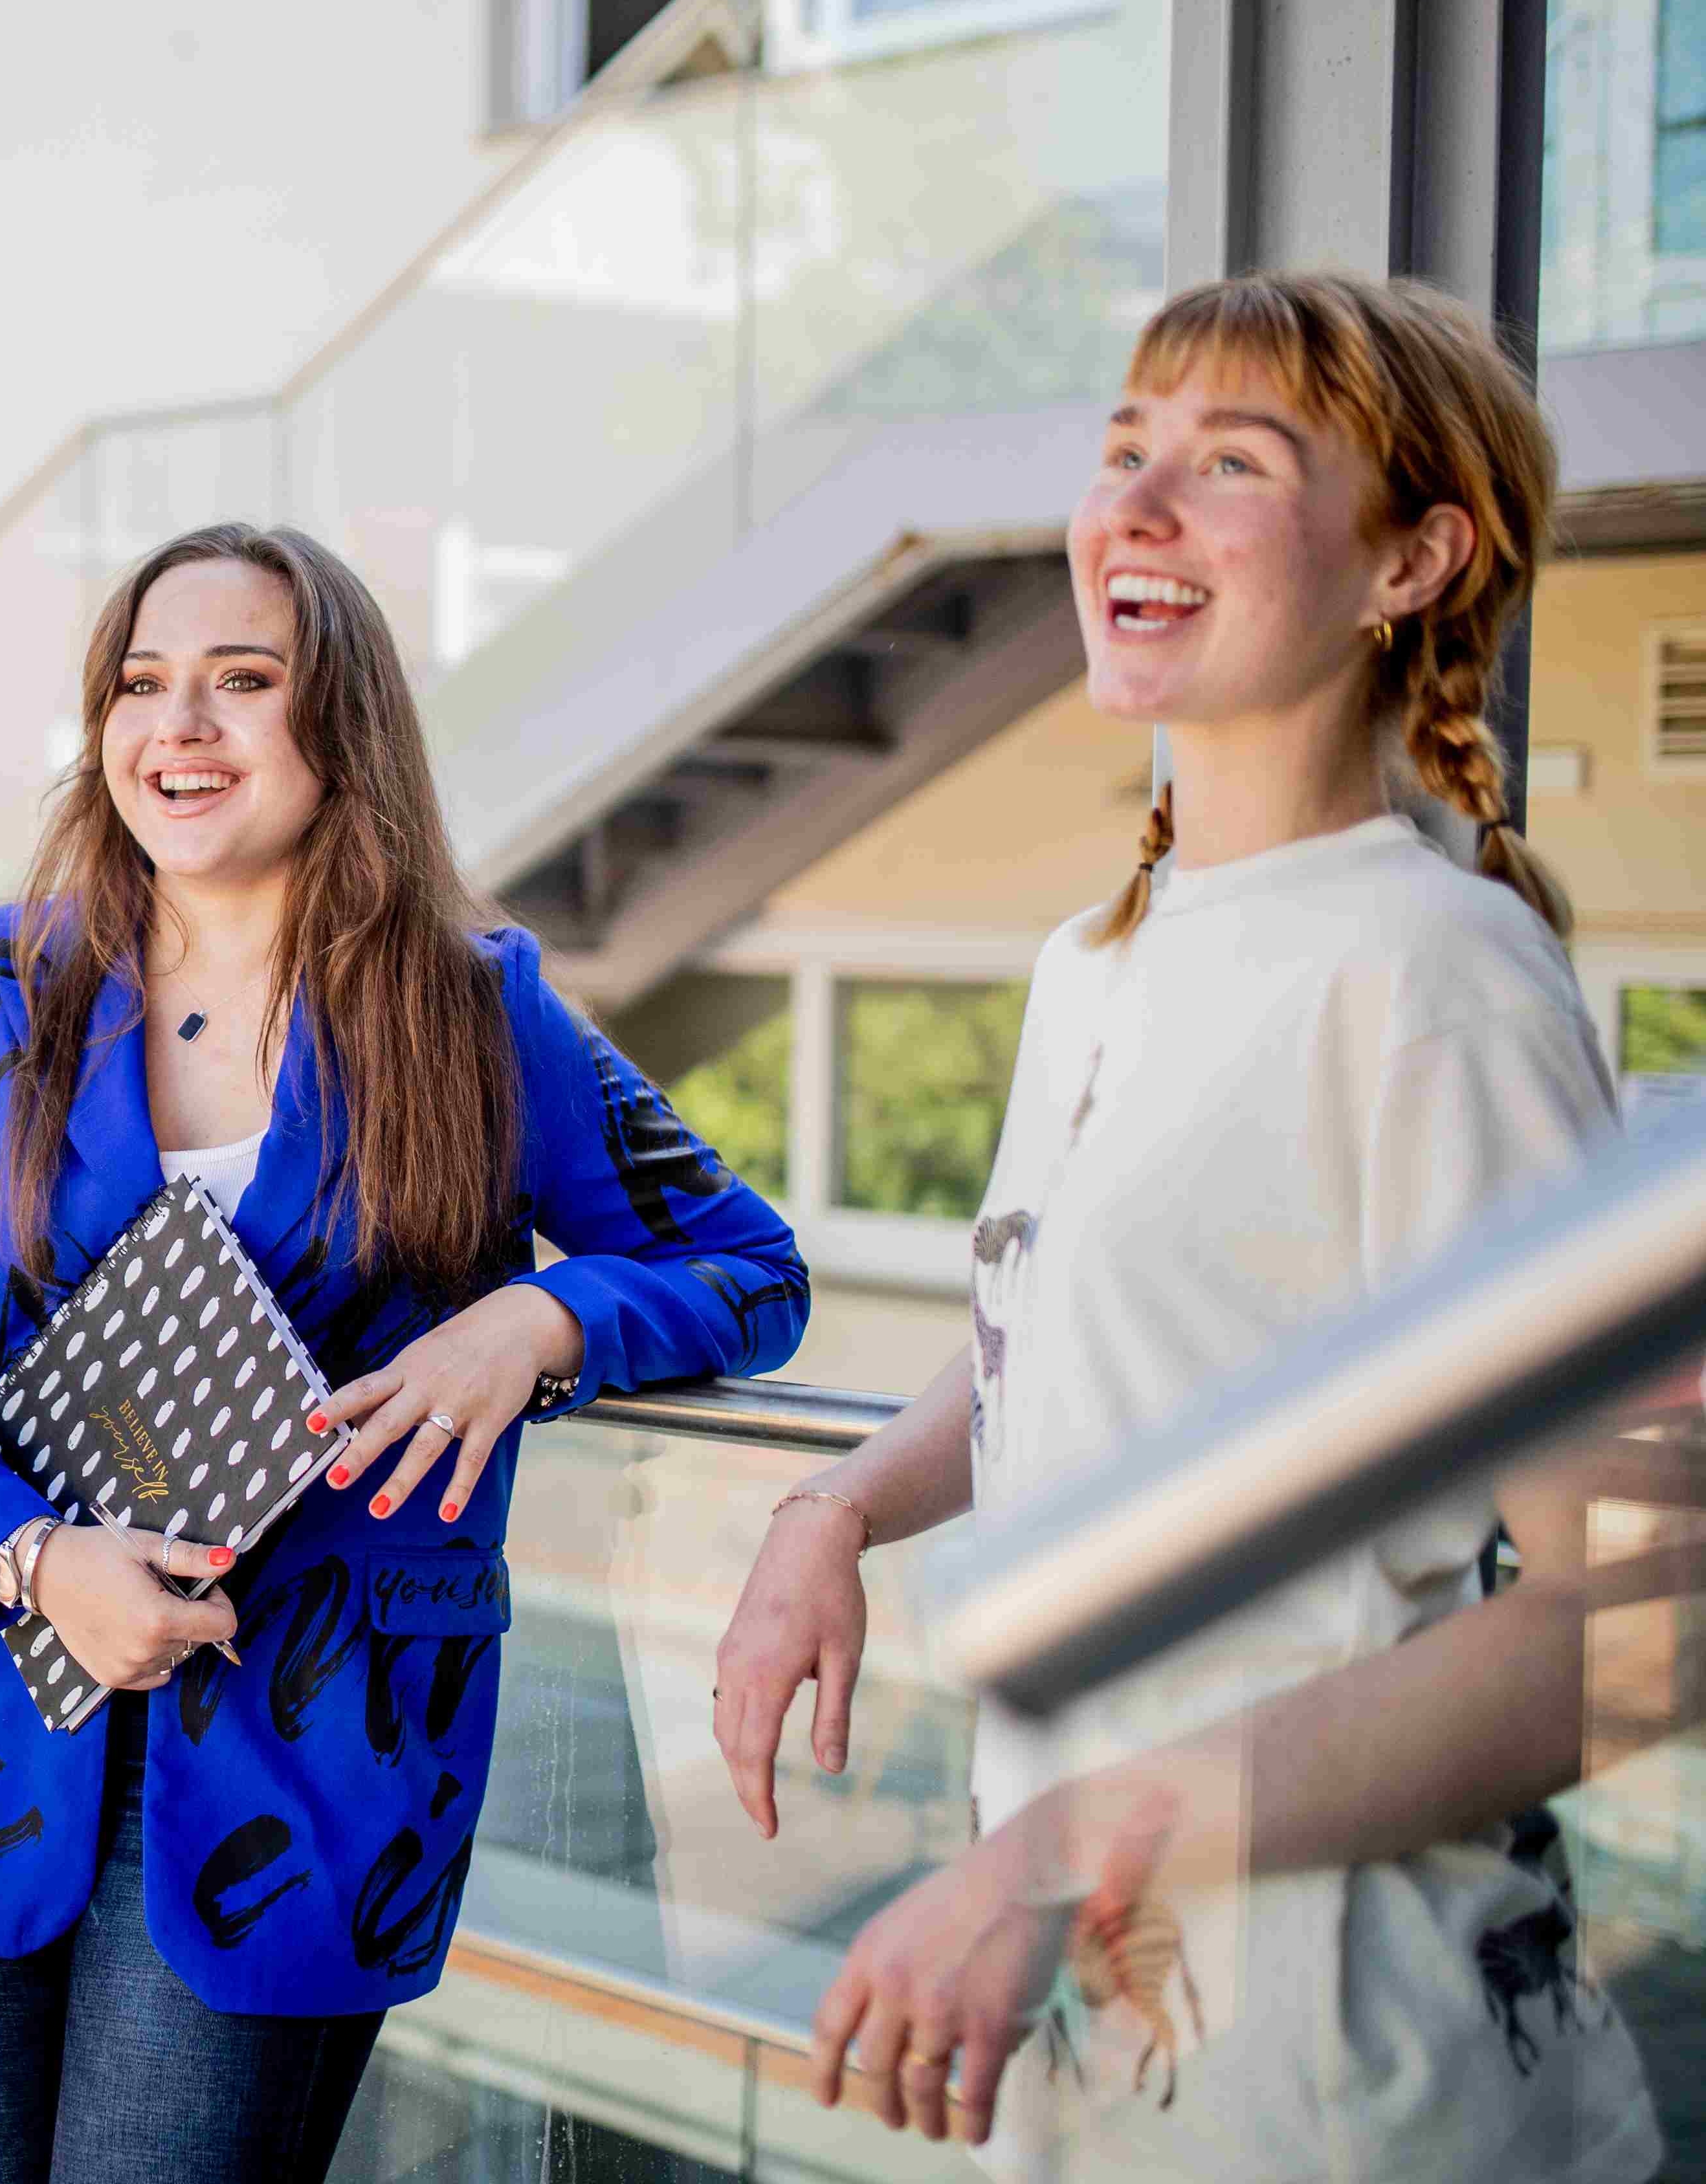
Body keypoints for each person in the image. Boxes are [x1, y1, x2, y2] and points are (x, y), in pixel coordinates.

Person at [709, 272, 1662, 2181]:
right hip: (1105, 2056)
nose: (1133, 510)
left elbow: (1624, 1629)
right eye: (1122, 453)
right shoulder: (1099, 957)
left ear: (1412, 562)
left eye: (1230, 464)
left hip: (1357, 2094)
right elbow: (1060, 1335)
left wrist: (1064, 1851)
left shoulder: (1434, 975)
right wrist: (839, 1509)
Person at [0, 521, 808, 2182]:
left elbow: (752, 1271)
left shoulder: (474, 1010)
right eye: (142, 685)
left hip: (307, 1781)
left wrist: (543, 1320)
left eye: (242, 682)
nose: (179, 727)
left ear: (342, 724)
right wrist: (36, 1559)